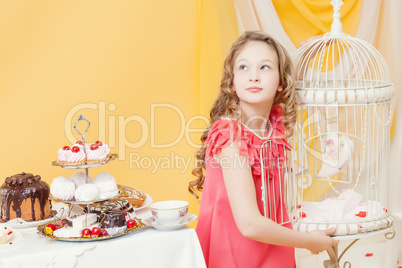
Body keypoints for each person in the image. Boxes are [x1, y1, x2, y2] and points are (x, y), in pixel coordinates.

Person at [188, 30, 338, 268]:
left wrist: (307, 56)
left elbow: (292, 82)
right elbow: (250, 224)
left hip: (273, 250)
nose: (254, 77)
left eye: (264, 67)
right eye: (243, 68)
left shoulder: (272, 127)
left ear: (281, 82)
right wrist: (309, 241)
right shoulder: (229, 135)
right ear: (232, 83)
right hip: (233, 255)